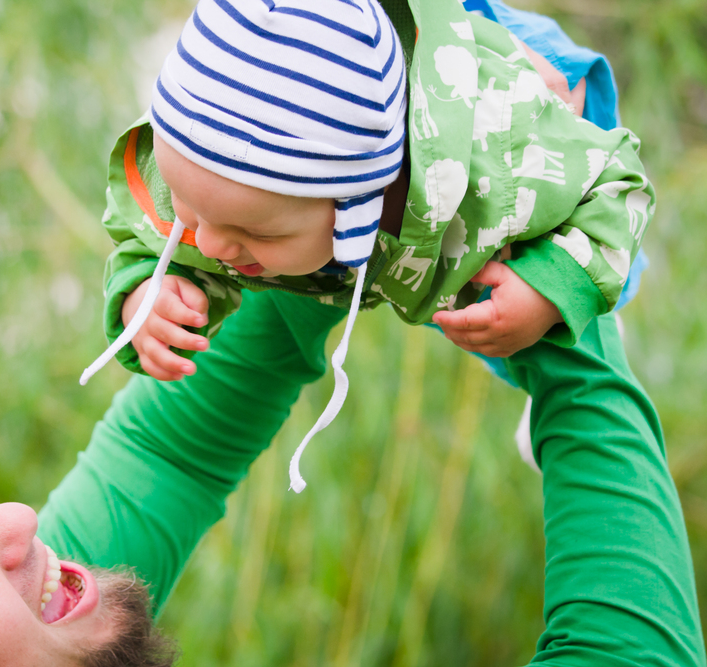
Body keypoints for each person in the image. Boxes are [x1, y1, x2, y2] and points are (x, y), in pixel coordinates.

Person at [0, 290, 704, 666]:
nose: (17, 519)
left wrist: (382, 176)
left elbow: (170, 450)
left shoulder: (44, 610)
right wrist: (569, 322)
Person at [81, 0, 654, 491]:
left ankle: (594, 328)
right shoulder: (212, 160)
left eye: (257, 232)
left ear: (359, 204)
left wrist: (552, 289)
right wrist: (144, 296)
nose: (208, 242)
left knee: (549, 281)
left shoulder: (502, 153)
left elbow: (618, 181)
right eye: (188, 203)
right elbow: (147, 233)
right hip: (320, 77)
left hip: (510, 79)